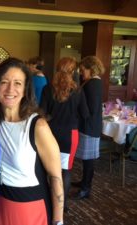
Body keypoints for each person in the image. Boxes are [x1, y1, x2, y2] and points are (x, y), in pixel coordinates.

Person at [0, 57, 64, 225]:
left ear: (26, 89)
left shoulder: (37, 126)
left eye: (18, 83)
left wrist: (58, 221)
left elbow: (56, 178)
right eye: (4, 82)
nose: (10, 89)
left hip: (29, 208)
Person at [40, 57, 89, 212]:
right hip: (70, 134)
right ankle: (63, 205)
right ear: (73, 71)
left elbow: (42, 112)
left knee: (48, 169)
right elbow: (85, 114)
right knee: (65, 170)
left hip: (50, 133)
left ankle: (48, 201)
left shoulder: (48, 89)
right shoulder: (78, 90)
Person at [72, 56, 105, 200]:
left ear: (91, 69)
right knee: (87, 159)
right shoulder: (93, 82)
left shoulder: (92, 84)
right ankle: (84, 182)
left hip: (89, 126)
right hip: (91, 125)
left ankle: (86, 188)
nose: (81, 72)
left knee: (89, 160)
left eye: (83, 70)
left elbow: (89, 109)